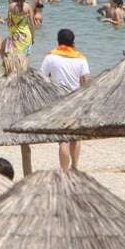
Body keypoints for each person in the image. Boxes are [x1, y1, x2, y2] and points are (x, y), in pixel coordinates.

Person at [40, 29, 90, 169]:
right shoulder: (81, 58)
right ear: (73, 42)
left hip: (57, 100)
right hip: (76, 100)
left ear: (58, 41)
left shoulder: (50, 57)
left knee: (63, 139)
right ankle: (74, 166)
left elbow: (41, 78)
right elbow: (86, 80)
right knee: (75, 136)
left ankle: (64, 171)